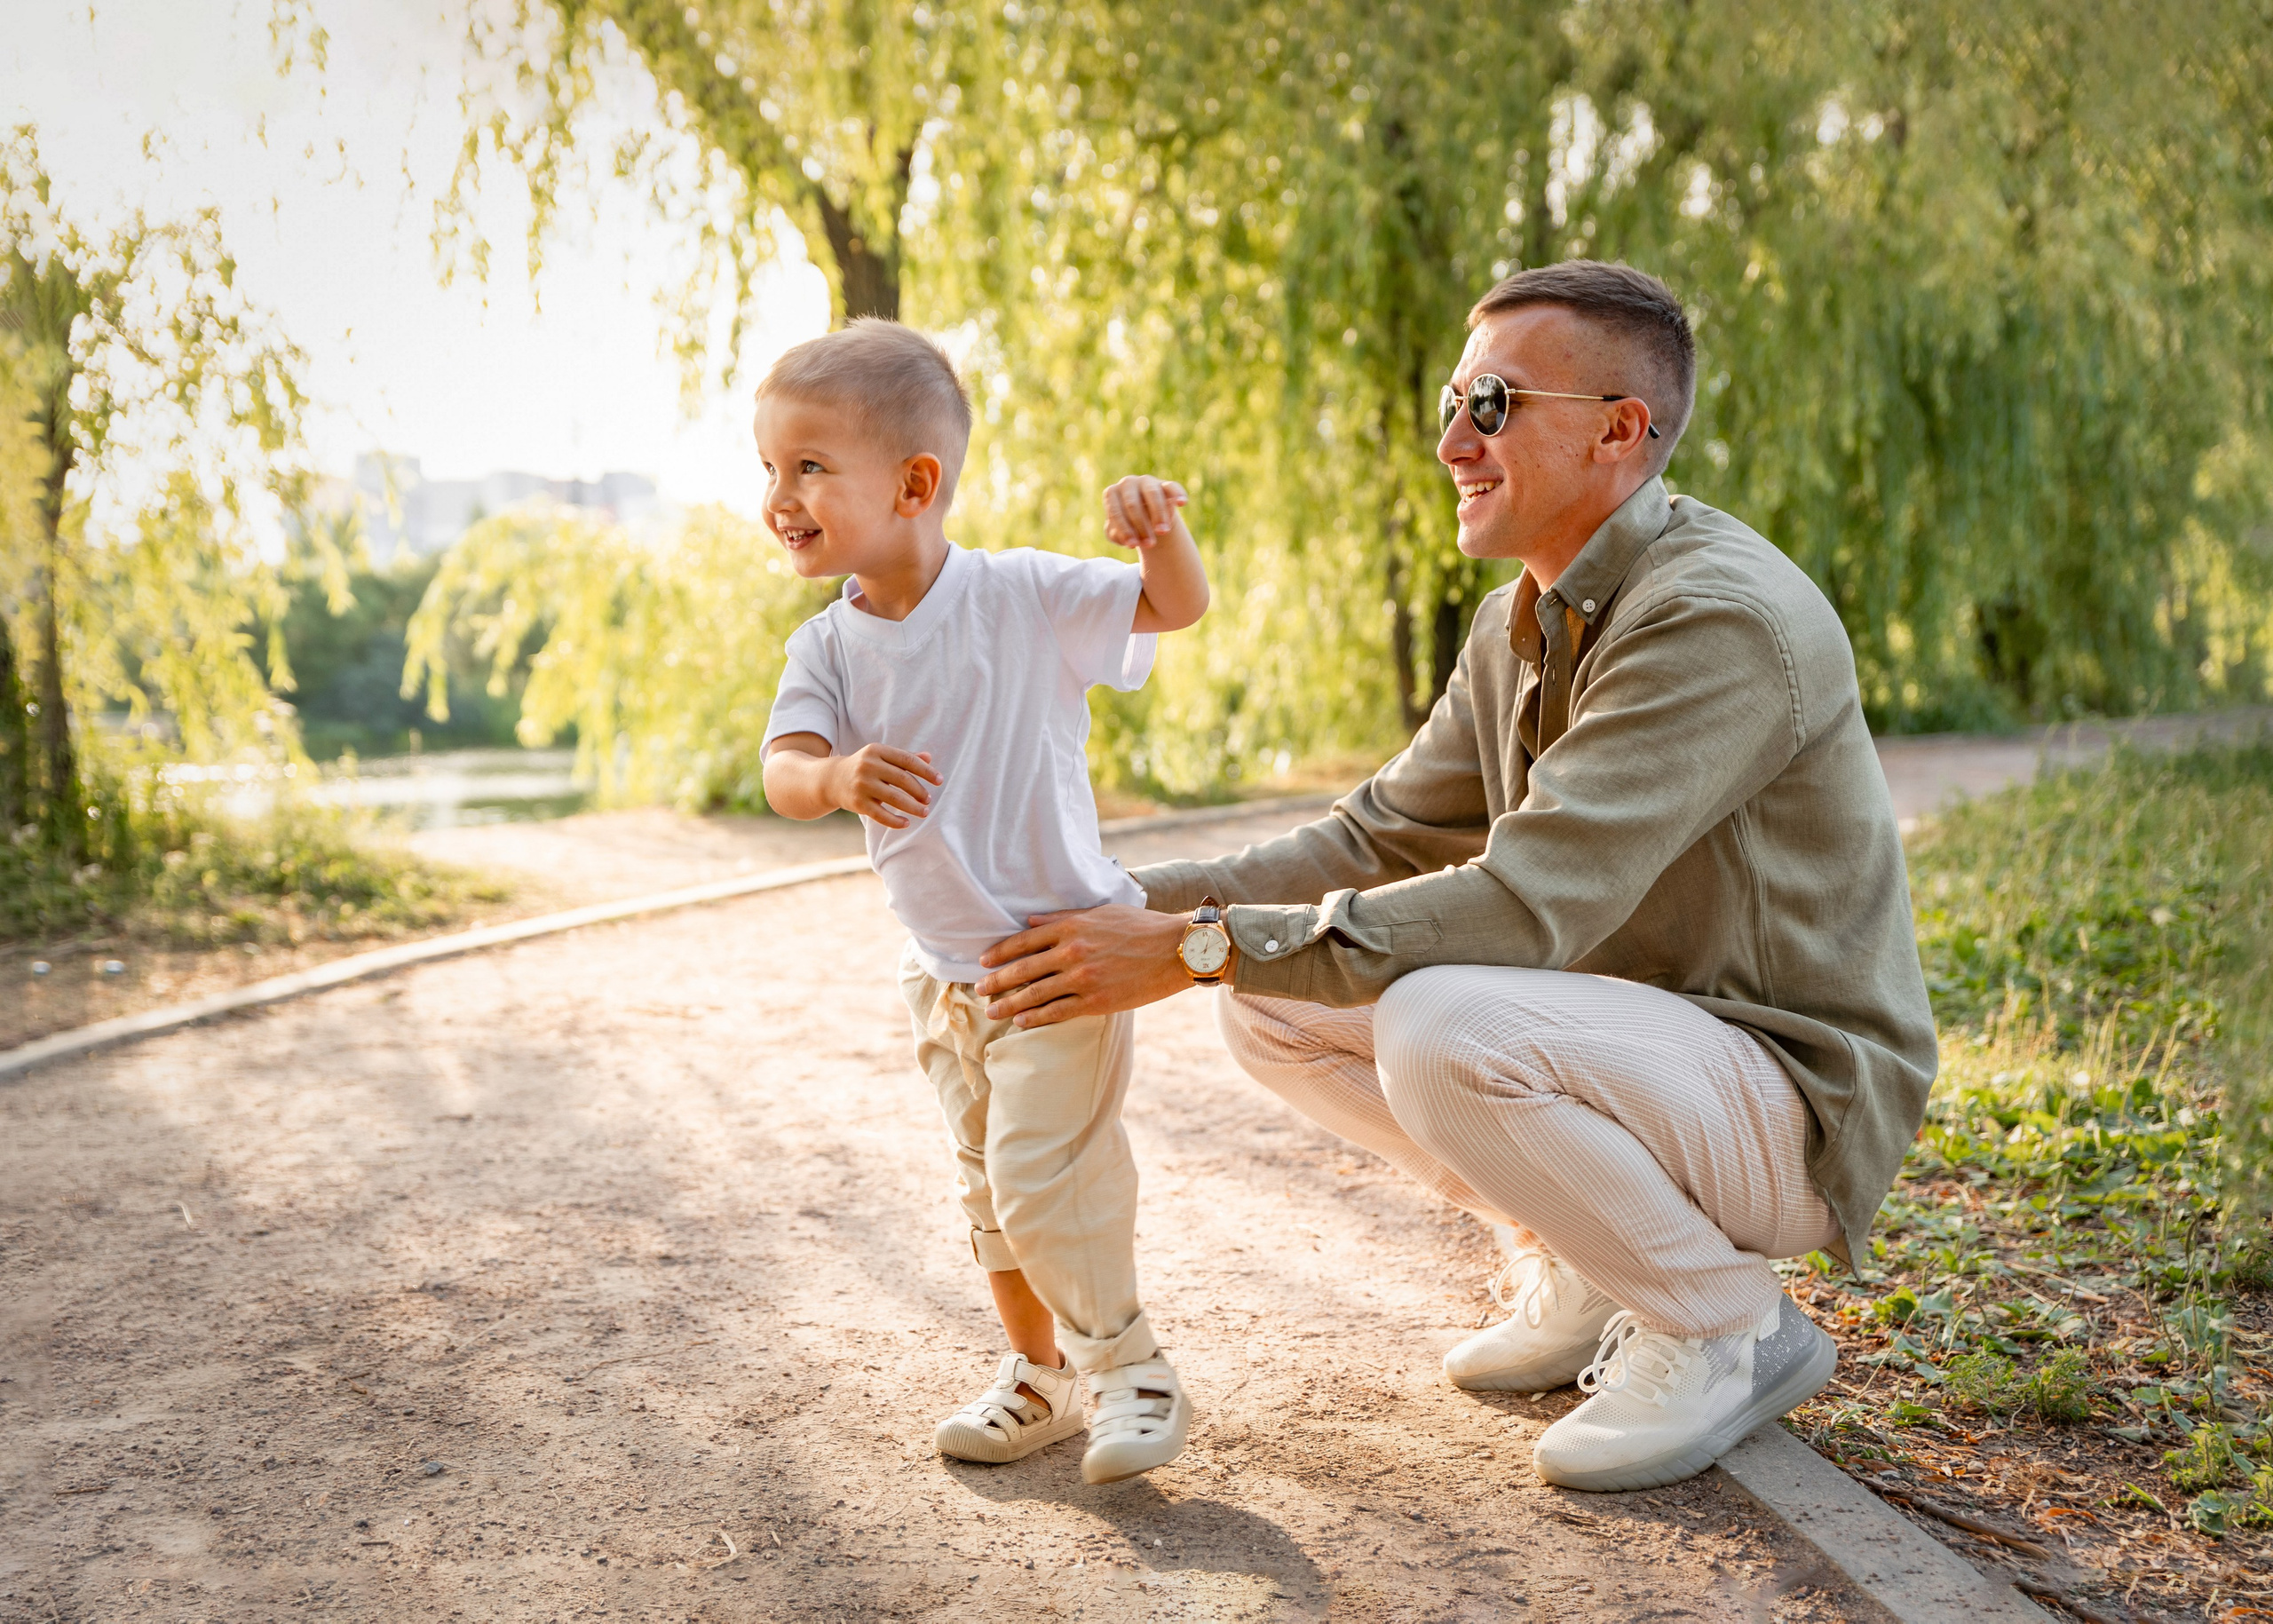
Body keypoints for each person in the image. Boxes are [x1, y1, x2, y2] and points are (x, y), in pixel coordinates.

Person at [970, 262, 1939, 1493]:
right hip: (1650, 1055)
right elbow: (1370, 837)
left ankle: (1723, 1324)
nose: (1449, 441)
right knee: (1274, 995)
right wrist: (1114, 898)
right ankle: (1592, 1261)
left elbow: (1524, 903)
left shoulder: (1716, 619)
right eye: (1451, 399)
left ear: (1617, 431)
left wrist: (1194, 945)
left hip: (1791, 1095)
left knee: (1432, 1016)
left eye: (1490, 404)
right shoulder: (1514, 622)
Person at [756, 319, 1213, 1485]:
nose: (780, 493)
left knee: (1045, 1173)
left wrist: (1162, 532)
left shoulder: (1023, 597)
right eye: (769, 467)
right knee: (988, 1188)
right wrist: (839, 774)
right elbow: (784, 771)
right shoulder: (827, 650)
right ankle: (1041, 1373)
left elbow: (1172, 609)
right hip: (943, 970)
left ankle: (1131, 1365)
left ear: (916, 483)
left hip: (1063, 955)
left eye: (809, 466)